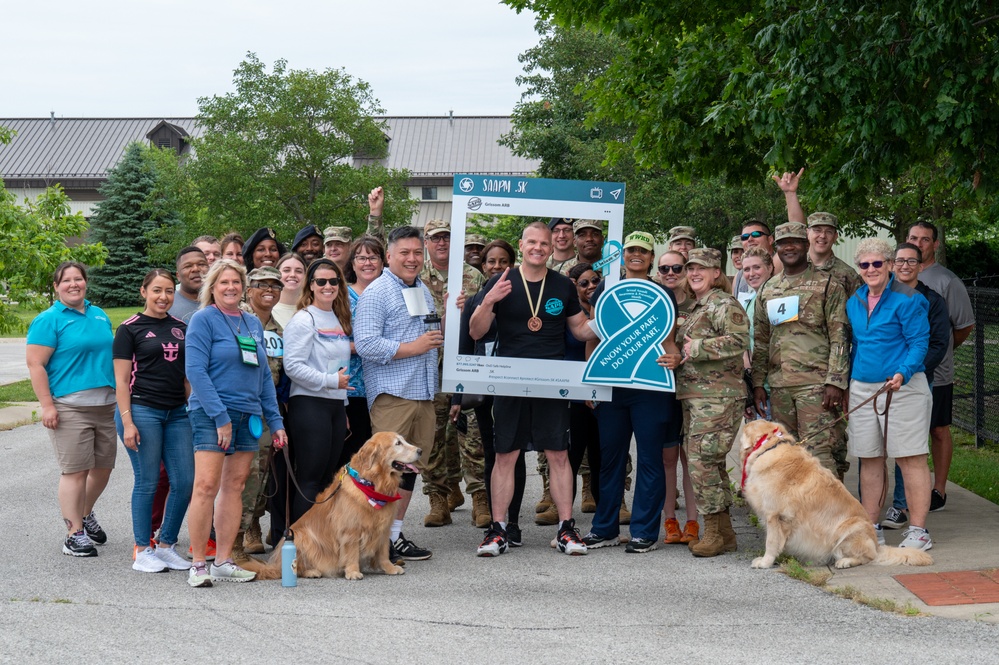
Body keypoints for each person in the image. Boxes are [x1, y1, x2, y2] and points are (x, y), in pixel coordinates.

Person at [470, 222, 597, 557]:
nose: (539, 247)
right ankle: (498, 530)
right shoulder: (501, 280)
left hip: (550, 381)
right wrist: (487, 302)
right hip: (510, 381)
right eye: (532, 242)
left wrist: (604, 319)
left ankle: (566, 528)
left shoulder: (561, 285)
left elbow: (581, 331)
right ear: (522, 244)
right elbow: (476, 331)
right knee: (505, 455)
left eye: (544, 243)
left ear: (550, 247)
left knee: (558, 454)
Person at [185, 259, 288, 587]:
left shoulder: (251, 324)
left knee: (235, 487)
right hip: (211, 414)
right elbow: (196, 372)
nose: (230, 287)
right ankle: (199, 562)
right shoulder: (203, 321)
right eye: (223, 282)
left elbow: (262, 378)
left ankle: (224, 559)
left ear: (243, 287)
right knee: (205, 486)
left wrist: (276, 421)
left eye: (235, 282)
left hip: (249, 415)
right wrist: (221, 418)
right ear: (212, 287)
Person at [581, 231, 680, 554]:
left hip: (651, 387)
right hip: (612, 387)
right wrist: (590, 382)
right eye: (630, 250)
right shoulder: (605, 290)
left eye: (643, 251)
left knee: (650, 459)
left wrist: (675, 355)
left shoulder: (663, 292)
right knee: (610, 460)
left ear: (652, 258)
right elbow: (593, 338)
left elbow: (668, 338)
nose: (636, 255)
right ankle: (605, 528)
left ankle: (644, 532)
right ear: (622, 255)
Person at [354, 225, 440, 562]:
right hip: (394, 394)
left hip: (422, 393)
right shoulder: (377, 292)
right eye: (404, 252)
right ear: (388, 256)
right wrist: (413, 347)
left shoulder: (422, 290)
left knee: (408, 471)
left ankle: (391, 536)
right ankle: (371, 541)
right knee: (383, 472)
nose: (412, 258)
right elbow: (366, 344)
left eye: (418, 252)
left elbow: (429, 335)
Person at [660, 248, 749, 558]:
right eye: (691, 268)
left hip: (718, 398)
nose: (694, 272)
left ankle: (711, 529)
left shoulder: (724, 303)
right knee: (711, 464)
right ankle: (725, 532)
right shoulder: (698, 306)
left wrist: (694, 347)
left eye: (702, 268)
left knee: (702, 463)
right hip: (697, 397)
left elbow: (739, 341)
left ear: (716, 274)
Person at [846, 238, 933, 551]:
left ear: (889, 265)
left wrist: (903, 372)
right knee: (869, 458)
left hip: (903, 387)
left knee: (911, 458)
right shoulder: (854, 300)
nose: (870, 270)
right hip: (863, 388)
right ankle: (871, 528)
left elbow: (919, 343)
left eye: (877, 263)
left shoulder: (909, 299)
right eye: (864, 265)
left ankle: (919, 531)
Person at [26, 262, 116, 558]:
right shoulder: (48, 320)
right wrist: (47, 405)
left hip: (105, 406)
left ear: (86, 282)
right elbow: (35, 364)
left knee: (103, 469)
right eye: (67, 281)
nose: (74, 284)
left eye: (79, 279)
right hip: (70, 407)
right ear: (56, 286)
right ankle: (73, 533)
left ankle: (85, 514)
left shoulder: (99, 314)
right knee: (75, 471)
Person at [750, 222, 850, 478]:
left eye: (795, 241)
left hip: (816, 386)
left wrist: (836, 381)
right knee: (787, 456)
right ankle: (796, 514)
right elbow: (762, 340)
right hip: (780, 387)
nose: (789, 247)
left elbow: (840, 336)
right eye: (783, 243)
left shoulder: (829, 285)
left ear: (806, 245)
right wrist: (758, 384)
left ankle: (831, 515)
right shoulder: (768, 289)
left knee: (820, 454)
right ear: (776, 248)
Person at [112, 269, 194, 573]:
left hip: (177, 414)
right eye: (157, 290)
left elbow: (187, 376)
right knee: (147, 481)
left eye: (169, 291)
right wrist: (127, 421)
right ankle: (143, 549)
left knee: (184, 481)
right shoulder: (129, 329)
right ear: (143, 291)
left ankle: (166, 545)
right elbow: (121, 381)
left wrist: (192, 405)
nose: (164, 297)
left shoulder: (181, 328)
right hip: (141, 411)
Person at [455, 239, 528, 545]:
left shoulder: (526, 297)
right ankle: (496, 521)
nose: (497, 266)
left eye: (503, 261)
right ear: (482, 266)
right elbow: (464, 345)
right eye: (491, 262)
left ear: (513, 263)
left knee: (515, 452)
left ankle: (513, 522)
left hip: (517, 386)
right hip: (485, 389)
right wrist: (458, 397)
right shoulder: (473, 301)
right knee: (492, 453)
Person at [419, 218, 487, 528]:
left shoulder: (472, 276)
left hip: (464, 364)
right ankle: (438, 498)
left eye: (447, 237)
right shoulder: (415, 277)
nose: (442, 243)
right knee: (432, 436)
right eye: (436, 238)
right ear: (427, 241)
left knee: (472, 435)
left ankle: (479, 498)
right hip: (426, 367)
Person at [881, 243, 950, 530]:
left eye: (912, 261)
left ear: (921, 266)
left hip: (916, 378)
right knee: (875, 447)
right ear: (892, 264)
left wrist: (913, 370)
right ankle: (872, 508)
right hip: (880, 380)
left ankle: (901, 506)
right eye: (900, 260)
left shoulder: (932, 300)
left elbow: (937, 343)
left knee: (908, 448)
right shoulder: (880, 295)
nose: (905, 265)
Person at [907, 221, 975, 512]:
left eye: (925, 239)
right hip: (903, 371)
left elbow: (963, 326)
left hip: (938, 372)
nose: (919, 243)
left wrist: (942, 351)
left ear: (935, 244)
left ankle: (939, 489)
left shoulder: (947, 281)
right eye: (913, 238)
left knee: (938, 428)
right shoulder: (896, 275)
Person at [283, 258, 352, 524]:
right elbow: (293, 367)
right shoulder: (304, 319)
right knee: (310, 479)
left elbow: (339, 369)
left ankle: (320, 544)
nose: (327, 286)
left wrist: (342, 404)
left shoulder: (337, 317)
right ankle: (299, 546)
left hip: (334, 406)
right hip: (309, 405)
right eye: (320, 281)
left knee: (327, 479)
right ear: (310, 285)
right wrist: (331, 382)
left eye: (333, 281)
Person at [238, 266, 287, 554]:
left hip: (269, 410)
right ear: (249, 289)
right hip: (244, 408)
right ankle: (242, 530)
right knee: (246, 471)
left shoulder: (278, 329)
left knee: (264, 470)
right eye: (262, 284)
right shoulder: (242, 322)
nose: (269, 289)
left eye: (275, 285)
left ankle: (254, 522)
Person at [656, 250, 700, 545]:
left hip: (696, 391)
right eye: (664, 268)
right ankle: (670, 520)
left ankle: (694, 522)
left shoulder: (700, 304)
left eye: (677, 267)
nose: (670, 273)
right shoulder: (653, 301)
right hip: (664, 391)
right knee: (668, 459)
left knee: (692, 460)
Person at [772, 169, 863, 297]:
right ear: (807, 233)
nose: (822, 236)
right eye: (817, 230)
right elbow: (796, 227)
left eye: (829, 232)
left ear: (835, 237)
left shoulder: (848, 275)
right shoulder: (792, 264)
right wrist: (790, 194)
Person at [343, 236, 386, 455]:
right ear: (352, 263)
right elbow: (330, 342)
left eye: (373, 257)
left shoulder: (392, 295)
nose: (367, 263)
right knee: (353, 456)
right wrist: (369, 346)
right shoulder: (340, 296)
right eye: (361, 258)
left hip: (384, 390)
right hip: (351, 390)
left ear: (382, 262)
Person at [740, 247, 775, 420]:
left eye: (757, 267)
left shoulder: (776, 299)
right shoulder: (751, 301)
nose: (751, 273)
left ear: (770, 268)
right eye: (746, 269)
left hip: (774, 391)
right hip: (758, 390)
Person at [733, 221, 780, 296]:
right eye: (744, 237)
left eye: (756, 234)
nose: (750, 239)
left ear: (770, 239)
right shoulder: (739, 276)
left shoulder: (781, 262)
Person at [170, 247, 208, 324]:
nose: (196, 269)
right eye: (188, 266)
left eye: (201, 264)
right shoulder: (168, 304)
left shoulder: (221, 302)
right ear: (178, 276)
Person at [271, 253, 307, 329]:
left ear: (305, 276)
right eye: (286, 270)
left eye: (299, 271)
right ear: (276, 275)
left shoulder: (313, 311)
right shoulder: (266, 310)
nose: (293, 275)